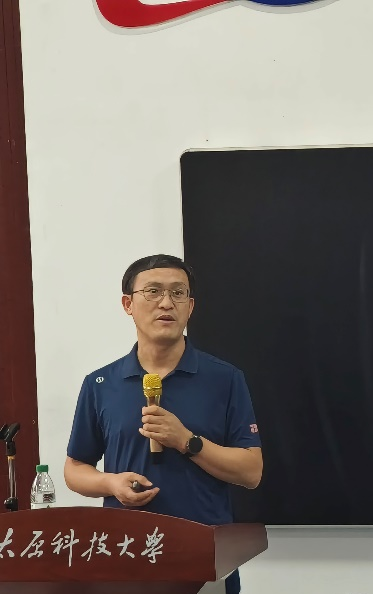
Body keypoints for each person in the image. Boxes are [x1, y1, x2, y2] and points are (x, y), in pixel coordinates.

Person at [64, 254, 263, 594]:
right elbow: (75, 468)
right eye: (153, 291)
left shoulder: (225, 379)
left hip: (205, 556)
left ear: (191, 306)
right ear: (128, 304)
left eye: (178, 293)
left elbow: (251, 472)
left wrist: (187, 440)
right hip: (125, 554)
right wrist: (111, 483)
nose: (166, 303)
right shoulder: (101, 384)